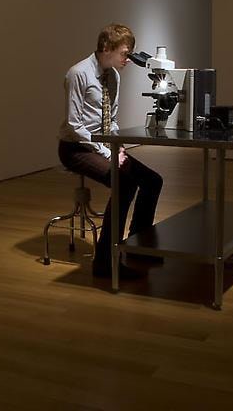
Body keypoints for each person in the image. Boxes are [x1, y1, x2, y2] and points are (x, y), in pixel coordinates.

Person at [58, 24, 163, 279]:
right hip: (75, 147)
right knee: (125, 182)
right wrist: (107, 153)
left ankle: (138, 245)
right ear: (107, 48)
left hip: (104, 144)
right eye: (125, 53)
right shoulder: (78, 74)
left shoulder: (113, 76)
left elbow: (111, 120)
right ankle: (105, 262)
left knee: (152, 180)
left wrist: (118, 147)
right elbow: (74, 126)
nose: (128, 59)